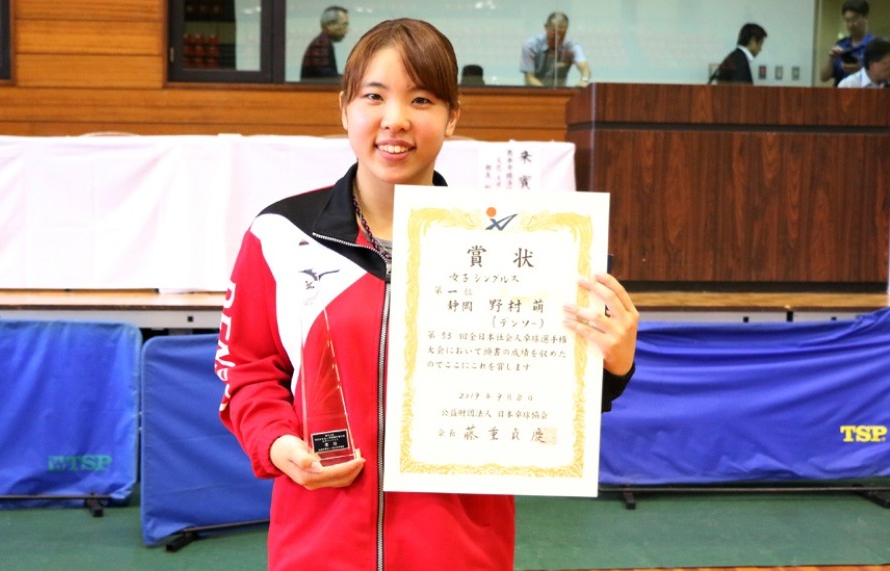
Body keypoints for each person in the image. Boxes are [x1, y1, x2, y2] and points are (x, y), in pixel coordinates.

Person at [215, 18, 638, 571]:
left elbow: (552, 388)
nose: (396, 120)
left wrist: (615, 363)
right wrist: (276, 443)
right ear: (345, 108)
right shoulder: (281, 235)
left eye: (421, 99)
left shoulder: (510, 246)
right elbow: (247, 369)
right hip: (317, 546)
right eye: (374, 96)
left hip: (461, 550)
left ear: (451, 116)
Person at [520, 12, 592, 87]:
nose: (558, 36)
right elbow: (529, 77)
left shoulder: (571, 46)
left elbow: (584, 67)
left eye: (562, 32)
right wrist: (548, 94)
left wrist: (584, 80)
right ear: (546, 27)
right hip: (535, 94)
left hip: (559, 95)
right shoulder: (531, 45)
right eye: (554, 31)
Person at [820, 0, 873, 86]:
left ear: (866, 18)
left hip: (865, 95)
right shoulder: (841, 44)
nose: (851, 24)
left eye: (855, 19)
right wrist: (830, 59)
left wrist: (860, 70)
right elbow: (823, 77)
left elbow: (883, 78)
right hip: (840, 94)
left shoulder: (875, 45)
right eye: (847, 20)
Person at [300, 6, 349, 82]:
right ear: (330, 24)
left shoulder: (321, 40)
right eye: (344, 25)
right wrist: (347, 80)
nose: (347, 30)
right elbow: (324, 73)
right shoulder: (322, 42)